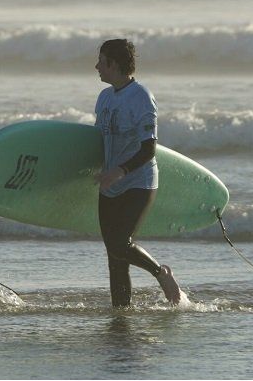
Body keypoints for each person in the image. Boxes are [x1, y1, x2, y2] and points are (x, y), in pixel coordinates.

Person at [93, 39, 182, 307]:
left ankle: (161, 273)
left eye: (102, 61)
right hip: (110, 184)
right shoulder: (105, 97)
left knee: (120, 244)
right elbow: (97, 141)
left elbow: (148, 149)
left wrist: (120, 171)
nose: (97, 66)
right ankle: (121, 315)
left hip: (138, 182)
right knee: (115, 257)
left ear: (114, 64)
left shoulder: (141, 97)